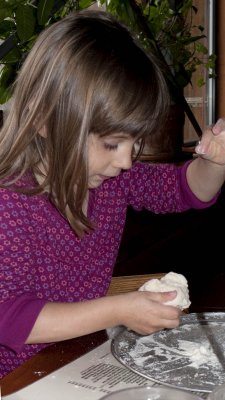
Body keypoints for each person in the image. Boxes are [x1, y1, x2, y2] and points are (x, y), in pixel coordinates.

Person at [0, 9, 225, 379]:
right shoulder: (11, 202)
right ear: (44, 120)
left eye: (133, 142)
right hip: (20, 380)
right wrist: (119, 309)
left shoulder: (111, 178)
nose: (125, 160)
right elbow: (9, 318)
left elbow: (186, 191)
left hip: (78, 359)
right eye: (110, 143)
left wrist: (214, 164)